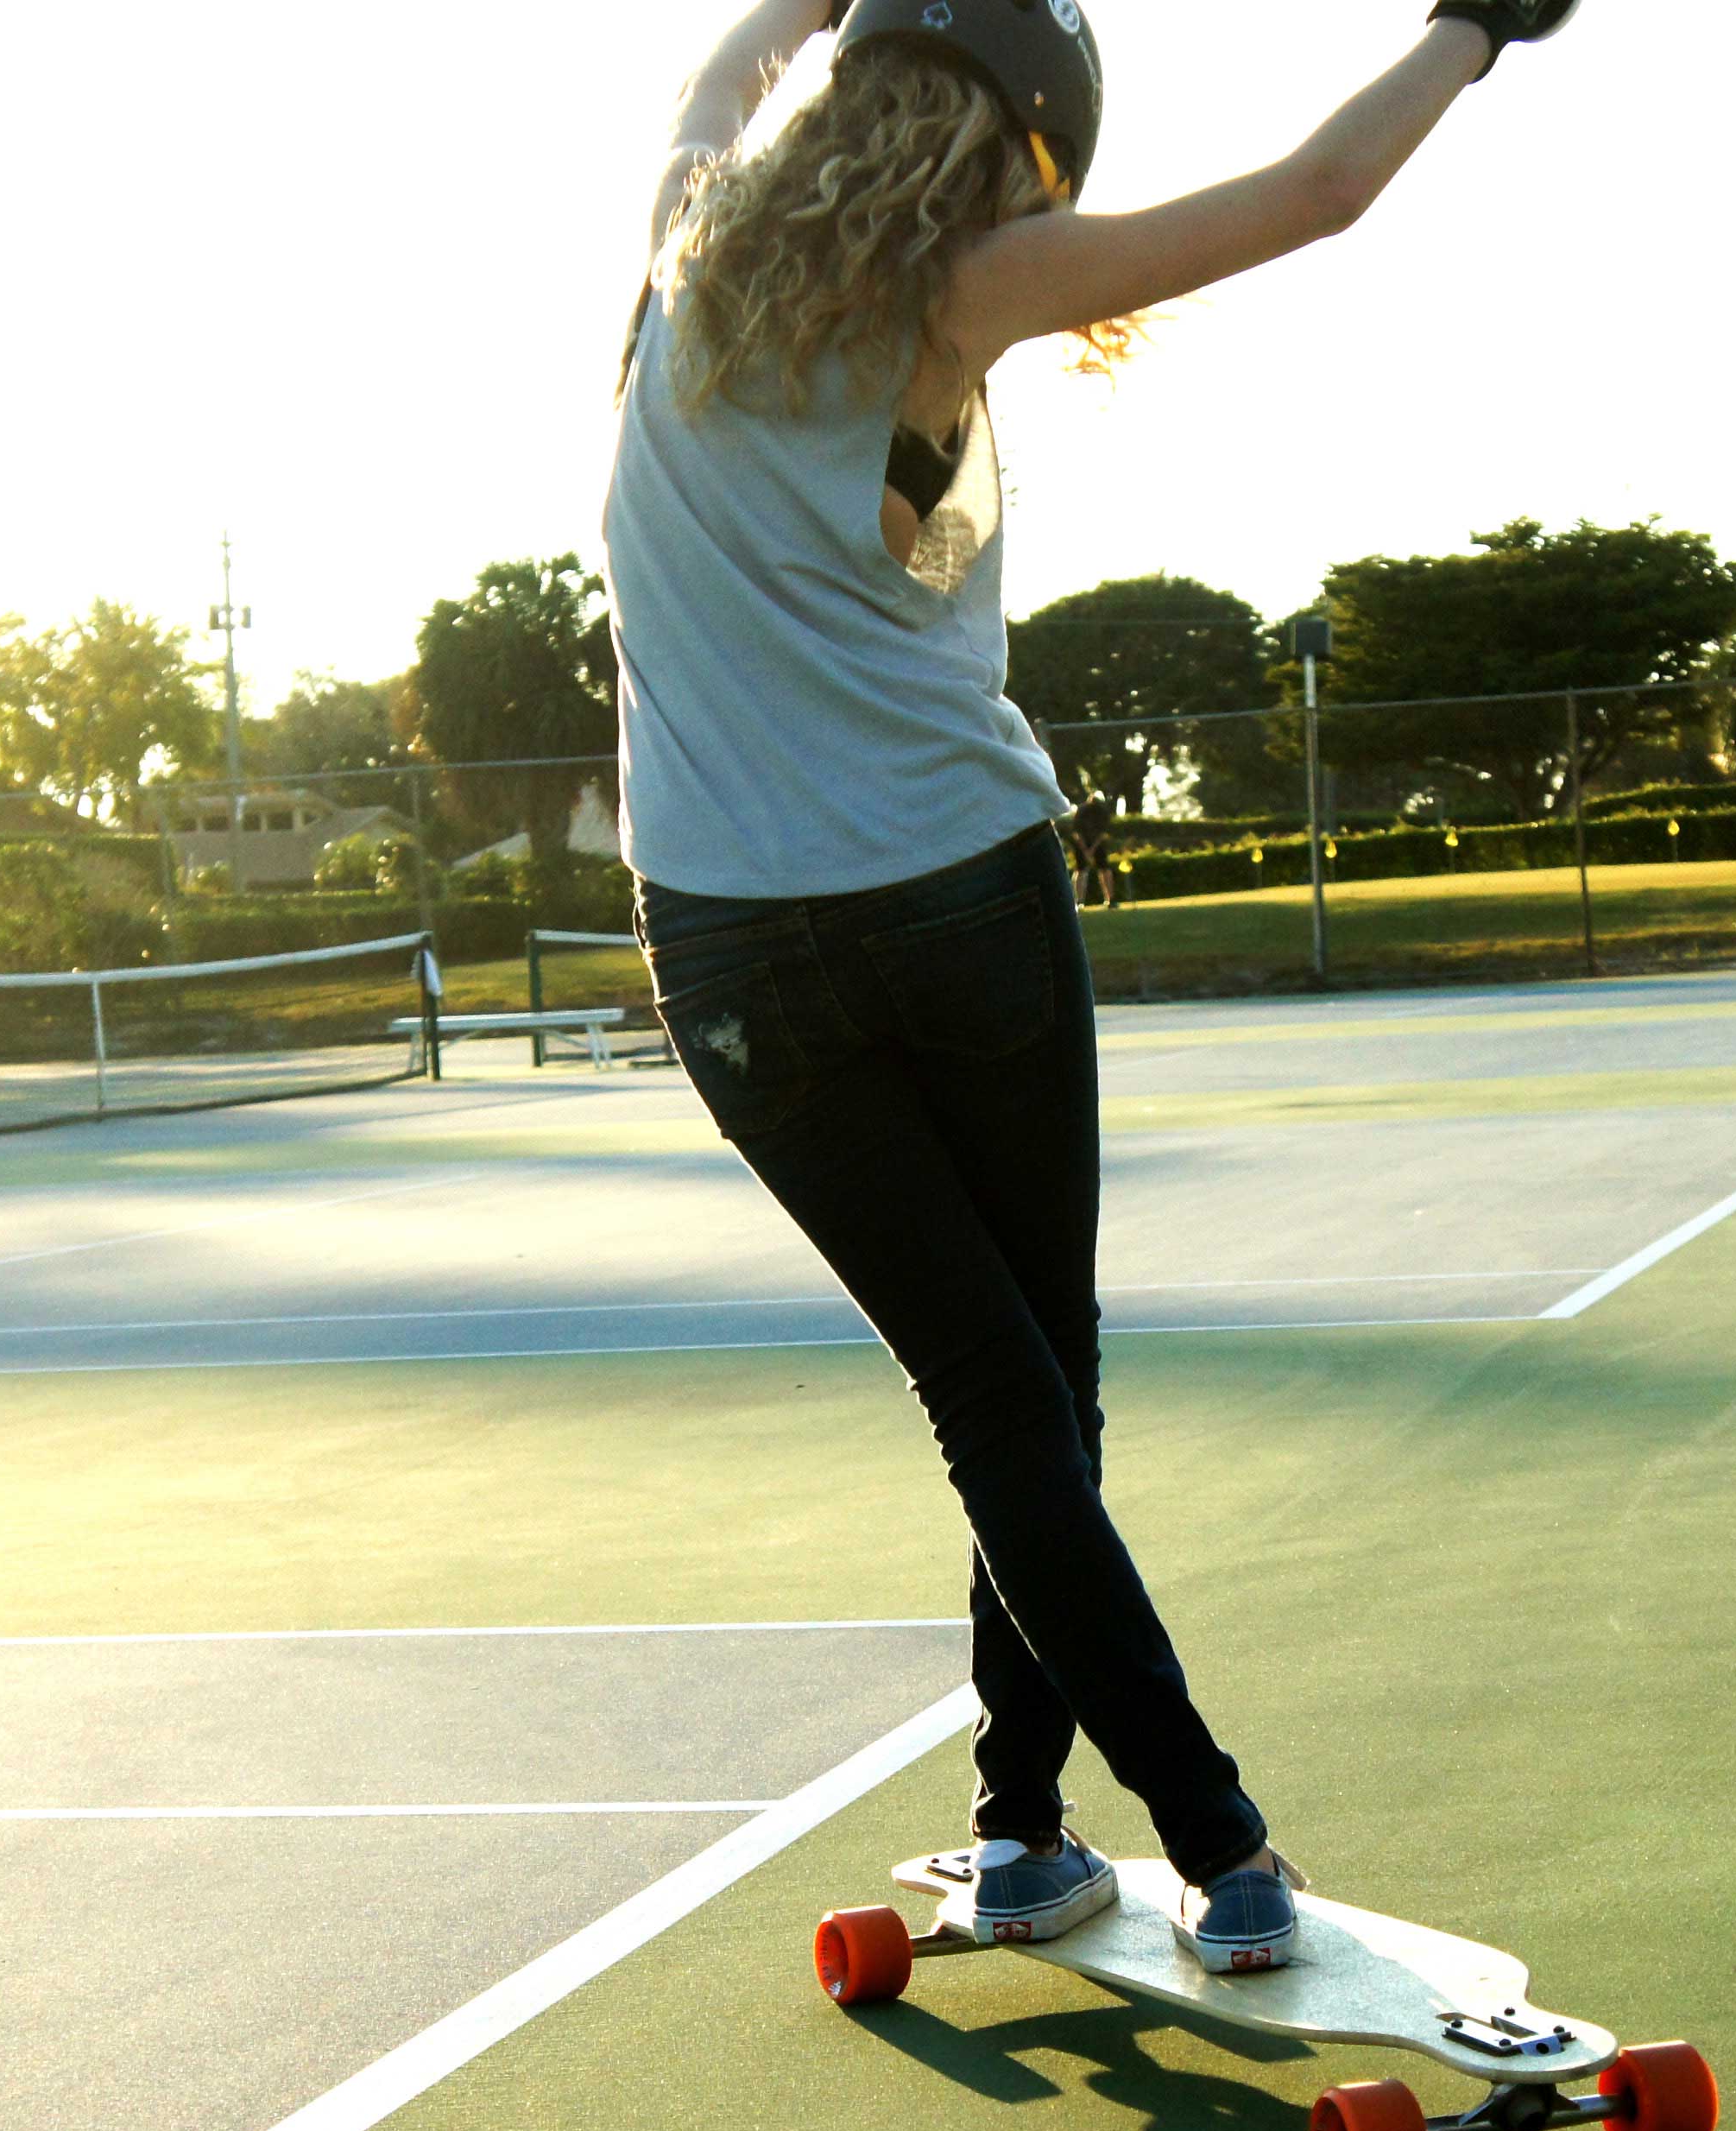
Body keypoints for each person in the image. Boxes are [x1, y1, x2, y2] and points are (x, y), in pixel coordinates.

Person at [606, 0, 1582, 1970]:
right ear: (1023, 152)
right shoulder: (965, 281)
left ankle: (1024, 1825)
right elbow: (1312, 192)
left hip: (717, 942)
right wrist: (1471, 29)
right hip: (950, 889)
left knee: (996, 1390)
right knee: (1031, 1378)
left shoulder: (679, 238)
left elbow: (724, 64)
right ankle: (1216, 1842)